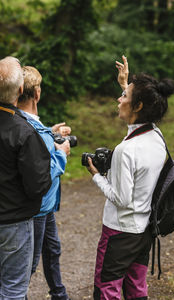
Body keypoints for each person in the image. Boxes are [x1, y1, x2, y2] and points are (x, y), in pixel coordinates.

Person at [87, 55, 174, 300]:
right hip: (143, 231)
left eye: (124, 96)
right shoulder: (157, 137)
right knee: (137, 289)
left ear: (137, 106)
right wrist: (126, 83)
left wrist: (96, 176)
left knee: (107, 290)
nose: (119, 98)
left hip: (118, 233)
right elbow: (140, 111)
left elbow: (122, 199)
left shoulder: (126, 151)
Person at [17, 66, 71, 300]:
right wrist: (62, 153)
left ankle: (59, 294)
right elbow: (40, 173)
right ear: (37, 93)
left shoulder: (26, 124)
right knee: (26, 266)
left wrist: (51, 133)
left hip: (46, 207)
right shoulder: (28, 128)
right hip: (35, 209)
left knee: (52, 250)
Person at [0, 56, 52, 300]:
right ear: (21, 90)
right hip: (13, 223)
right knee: (12, 290)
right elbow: (38, 185)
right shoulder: (23, 132)